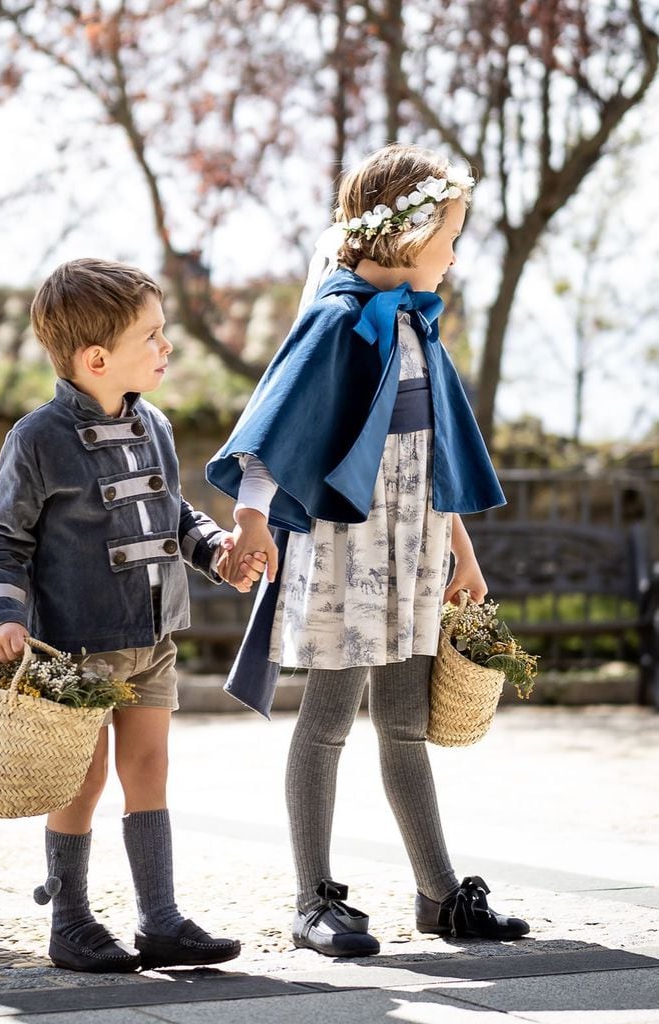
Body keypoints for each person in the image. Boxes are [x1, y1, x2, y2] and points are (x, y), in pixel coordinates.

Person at [208, 144, 530, 956]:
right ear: (408, 233)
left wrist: (461, 546)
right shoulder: (338, 316)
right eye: (449, 237)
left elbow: (435, 452)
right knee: (325, 722)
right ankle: (311, 897)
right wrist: (250, 520)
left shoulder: (418, 325)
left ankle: (440, 894)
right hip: (346, 550)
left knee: (404, 723)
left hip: (413, 548)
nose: (455, 256)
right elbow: (273, 426)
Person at [0, 258, 266, 973]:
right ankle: (70, 921)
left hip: (153, 636)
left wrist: (217, 550)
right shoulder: (37, 438)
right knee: (85, 775)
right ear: (97, 358)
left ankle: (160, 918)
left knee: (150, 766)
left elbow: (172, 512)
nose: (166, 348)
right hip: (77, 651)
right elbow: (2, 538)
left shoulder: (155, 424)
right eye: (153, 337)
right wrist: (1, 617)